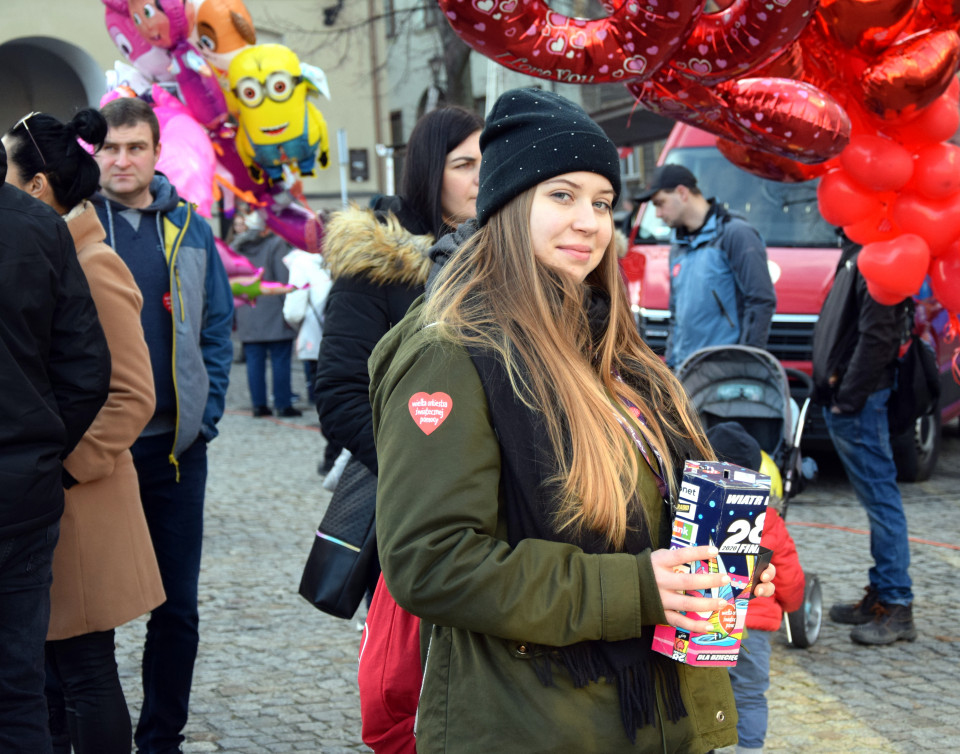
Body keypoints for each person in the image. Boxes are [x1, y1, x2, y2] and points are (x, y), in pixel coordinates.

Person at [368, 88, 776, 753]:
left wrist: (730, 558)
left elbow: (659, 499)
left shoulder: (613, 345)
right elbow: (430, 561)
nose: (589, 221)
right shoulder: (452, 351)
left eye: (602, 202)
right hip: (535, 724)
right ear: (506, 205)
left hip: (654, 714)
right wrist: (638, 588)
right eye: (561, 195)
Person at [3, 109, 166, 754]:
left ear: (37, 186)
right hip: (47, 497)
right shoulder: (48, 251)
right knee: (44, 680)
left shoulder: (91, 262)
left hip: (78, 501)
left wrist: (61, 466)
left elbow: (129, 393)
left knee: (85, 672)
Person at [92, 96, 235, 754]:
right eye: (111, 148)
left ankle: (161, 739)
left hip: (176, 454)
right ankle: (86, 733)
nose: (122, 160)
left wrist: (203, 417)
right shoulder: (75, 226)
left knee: (175, 610)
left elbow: (216, 326)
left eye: (135, 148)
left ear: (155, 154)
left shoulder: (191, 228)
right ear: (95, 152)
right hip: (97, 458)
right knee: (90, 611)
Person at [316, 105, 483, 549]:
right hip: (414, 502)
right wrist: (420, 471)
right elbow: (340, 393)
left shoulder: (511, 256)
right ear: (430, 172)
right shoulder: (379, 265)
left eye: (490, 161)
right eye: (464, 164)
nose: (481, 177)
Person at [0, 139, 111, 754]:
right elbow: (86, 371)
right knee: (19, 693)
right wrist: (43, 448)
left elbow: (88, 371)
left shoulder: (40, 229)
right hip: (25, 491)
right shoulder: (42, 227)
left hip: (24, 488)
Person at [811, 232, 916, 645]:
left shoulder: (882, 257)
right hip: (851, 398)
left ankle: (896, 604)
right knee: (877, 501)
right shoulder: (860, 252)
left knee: (881, 500)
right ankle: (883, 592)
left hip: (860, 402)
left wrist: (848, 398)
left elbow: (878, 337)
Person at [706, 422, 805, 754]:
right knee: (749, 694)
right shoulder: (771, 520)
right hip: (755, 630)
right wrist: (791, 605)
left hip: (707, 620)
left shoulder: (701, 515)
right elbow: (790, 578)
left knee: (703, 690)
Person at [635, 164, 776, 368]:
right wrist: (671, 368)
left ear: (682, 193)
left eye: (660, 203)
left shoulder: (735, 234)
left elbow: (761, 302)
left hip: (725, 376)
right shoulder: (678, 247)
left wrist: (746, 364)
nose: (657, 213)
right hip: (686, 374)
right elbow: (676, 317)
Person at [232, 209, 301, 417]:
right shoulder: (276, 244)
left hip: (248, 310)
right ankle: (282, 403)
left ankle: (258, 405)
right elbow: (283, 282)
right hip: (274, 311)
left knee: (254, 361)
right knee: (280, 360)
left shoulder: (237, 247)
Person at [281, 246, 337, 472]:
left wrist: (299, 327)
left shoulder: (302, 262)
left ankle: (331, 457)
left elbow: (294, 311)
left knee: (325, 401)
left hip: (315, 342)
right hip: (345, 341)